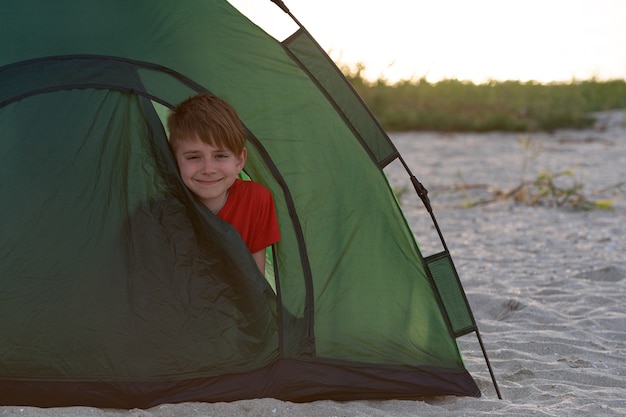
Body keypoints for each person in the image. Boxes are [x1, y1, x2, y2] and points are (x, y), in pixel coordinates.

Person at [167, 93, 280, 273]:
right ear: (174, 161)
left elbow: (255, 281)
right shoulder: (165, 211)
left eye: (220, 156)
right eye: (194, 157)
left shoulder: (256, 200)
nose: (208, 169)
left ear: (240, 161)